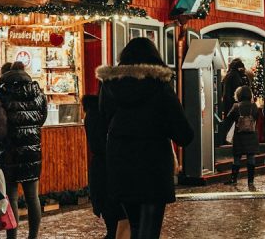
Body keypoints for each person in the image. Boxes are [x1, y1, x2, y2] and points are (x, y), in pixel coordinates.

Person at [97, 37, 194, 239]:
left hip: (121, 168)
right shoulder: (159, 86)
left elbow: (103, 121)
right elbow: (183, 134)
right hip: (153, 170)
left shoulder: (109, 86)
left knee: (135, 226)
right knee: (149, 232)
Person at [0, 61, 47, 239]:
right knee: (33, 197)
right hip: (32, 150)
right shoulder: (38, 93)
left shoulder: (2, 93)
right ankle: (33, 236)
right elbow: (41, 119)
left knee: (12, 198)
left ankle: (12, 237)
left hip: (9, 151)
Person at [83, 94, 123, 238]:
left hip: (100, 166)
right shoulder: (112, 112)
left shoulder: (92, 112)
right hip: (113, 165)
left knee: (107, 207)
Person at [223, 85, 262, 190]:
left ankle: (233, 179)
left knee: (237, 158)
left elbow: (228, 118)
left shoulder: (236, 106)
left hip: (239, 135)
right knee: (251, 158)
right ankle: (250, 181)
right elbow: (256, 117)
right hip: (251, 135)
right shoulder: (254, 106)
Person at [220, 58, 251, 145]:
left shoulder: (228, 75)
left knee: (228, 121)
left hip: (227, 103)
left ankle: (225, 139)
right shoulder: (236, 76)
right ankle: (230, 139)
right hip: (233, 103)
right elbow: (238, 90)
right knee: (234, 122)